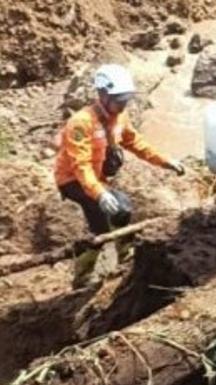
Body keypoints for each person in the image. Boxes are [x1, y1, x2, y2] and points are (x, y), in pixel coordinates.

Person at [55, 64, 185, 285]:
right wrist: (100, 194)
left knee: (121, 211)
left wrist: (165, 161)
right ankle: (84, 275)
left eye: (126, 99)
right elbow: (81, 166)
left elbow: (136, 143)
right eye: (119, 100)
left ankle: (124, 256)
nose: (124, 105)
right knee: (103, 221)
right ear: (103, 95)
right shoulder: (81, 123)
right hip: (73, 180)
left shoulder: (120, 117)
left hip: (96, 179)